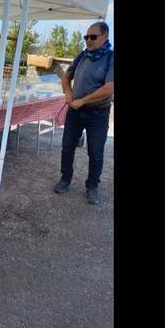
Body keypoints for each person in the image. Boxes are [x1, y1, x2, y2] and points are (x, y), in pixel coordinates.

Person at [54, 21, 114, 205]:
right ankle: (65, 179)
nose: (88, 40)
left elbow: (109, 88)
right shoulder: (83, 55)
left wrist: (83, 100)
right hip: (75, 111)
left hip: (98, 113)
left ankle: (92, 187)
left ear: (105, 36)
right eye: (86, 37)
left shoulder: (111, 58)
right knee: (67, 147)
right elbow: (66, 76)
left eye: (93, 37)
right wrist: (69, 92)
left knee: (95, 152)